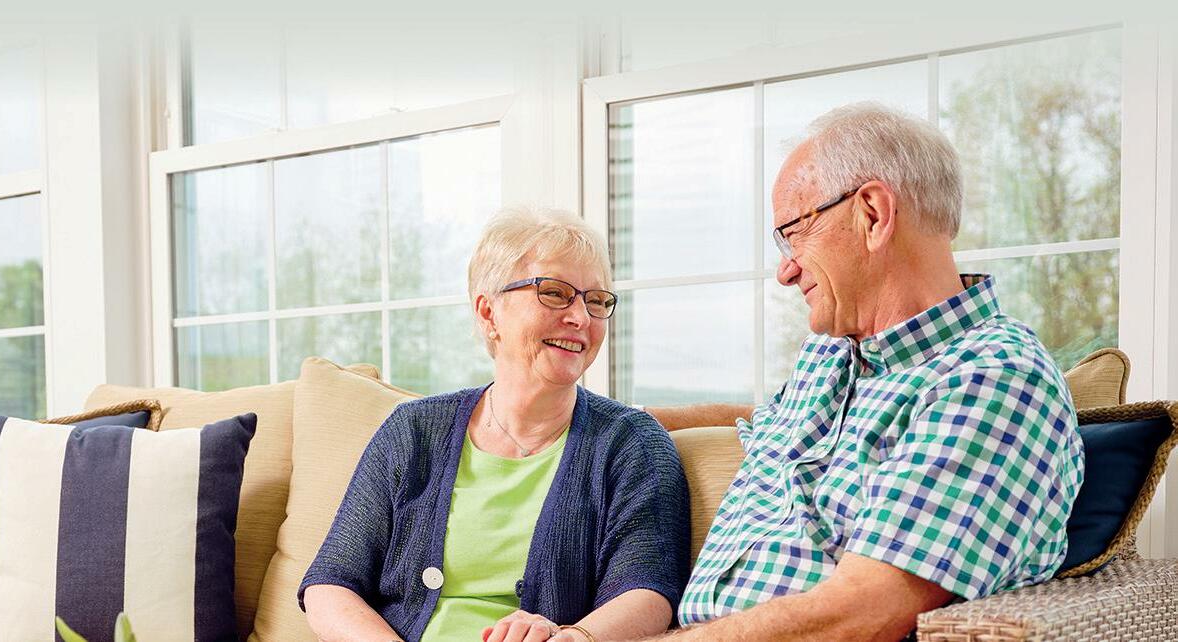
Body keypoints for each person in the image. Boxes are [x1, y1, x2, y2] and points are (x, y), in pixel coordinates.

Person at [648, 102, 1084, 641]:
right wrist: (616, 418)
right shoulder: (830, 356)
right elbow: (769, 421)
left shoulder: (993, 378)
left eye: (794, 232)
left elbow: (864, 611)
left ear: (873, 215)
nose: (785, 270)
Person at [300, 207, 690, 642]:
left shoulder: (632, 444)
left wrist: (571, 637)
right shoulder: (413, 431)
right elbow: (330, 585)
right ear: (489, 313)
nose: (581, 318)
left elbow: (649, 592)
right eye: (555, 293)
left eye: (596, 301)